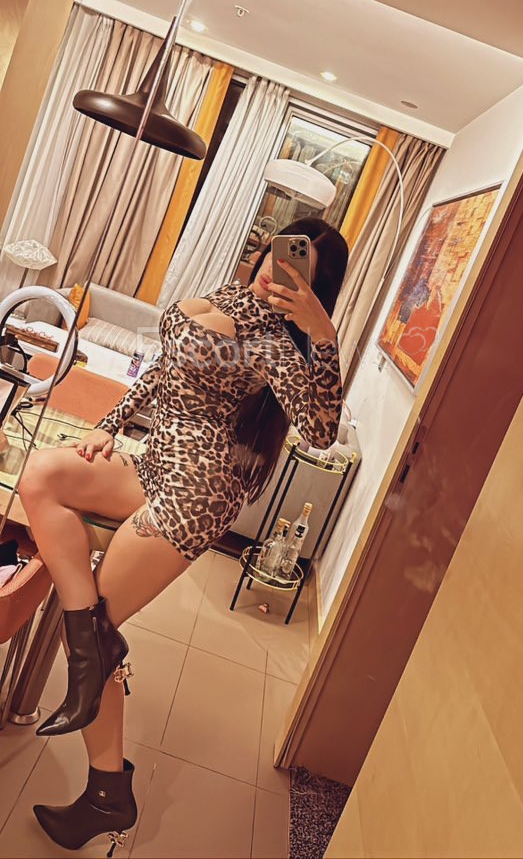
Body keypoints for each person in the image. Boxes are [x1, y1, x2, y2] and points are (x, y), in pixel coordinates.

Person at [19, 217, 348, 854]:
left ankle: (106, 787)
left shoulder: (277, 345)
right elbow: (163, 371)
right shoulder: (223, 295)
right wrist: (110, 423)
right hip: (152, 463)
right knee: (42, 476)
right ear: (265, 249)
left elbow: (320, 432)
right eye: (279, 254)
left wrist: (323, 335)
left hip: (198, 491)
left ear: (314, 288)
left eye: (299, 270)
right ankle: (89, 650)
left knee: (95, 629)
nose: (277, 271)